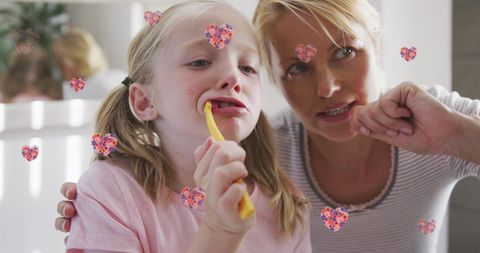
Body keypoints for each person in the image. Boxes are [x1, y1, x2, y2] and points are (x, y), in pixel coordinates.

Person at [57, 0, 480, 252]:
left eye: (345, 52)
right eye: (297, 67)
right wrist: (100, 206)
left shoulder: (282, 204)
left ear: (380, 47)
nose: (328, 86)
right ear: (277, 80)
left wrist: (458, 137)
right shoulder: (272, 160)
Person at [60, 1, 310, 252]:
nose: (234, 78)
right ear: (145, 101)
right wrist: (220, 231)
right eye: (200, 62)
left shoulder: (286, 206)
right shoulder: (110, 191)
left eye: (247, 67)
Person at [51, 28, 127, 100]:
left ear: (69, 64)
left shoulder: (78, 87)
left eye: (60, 64)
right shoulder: (119, 75)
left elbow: (70, 87)